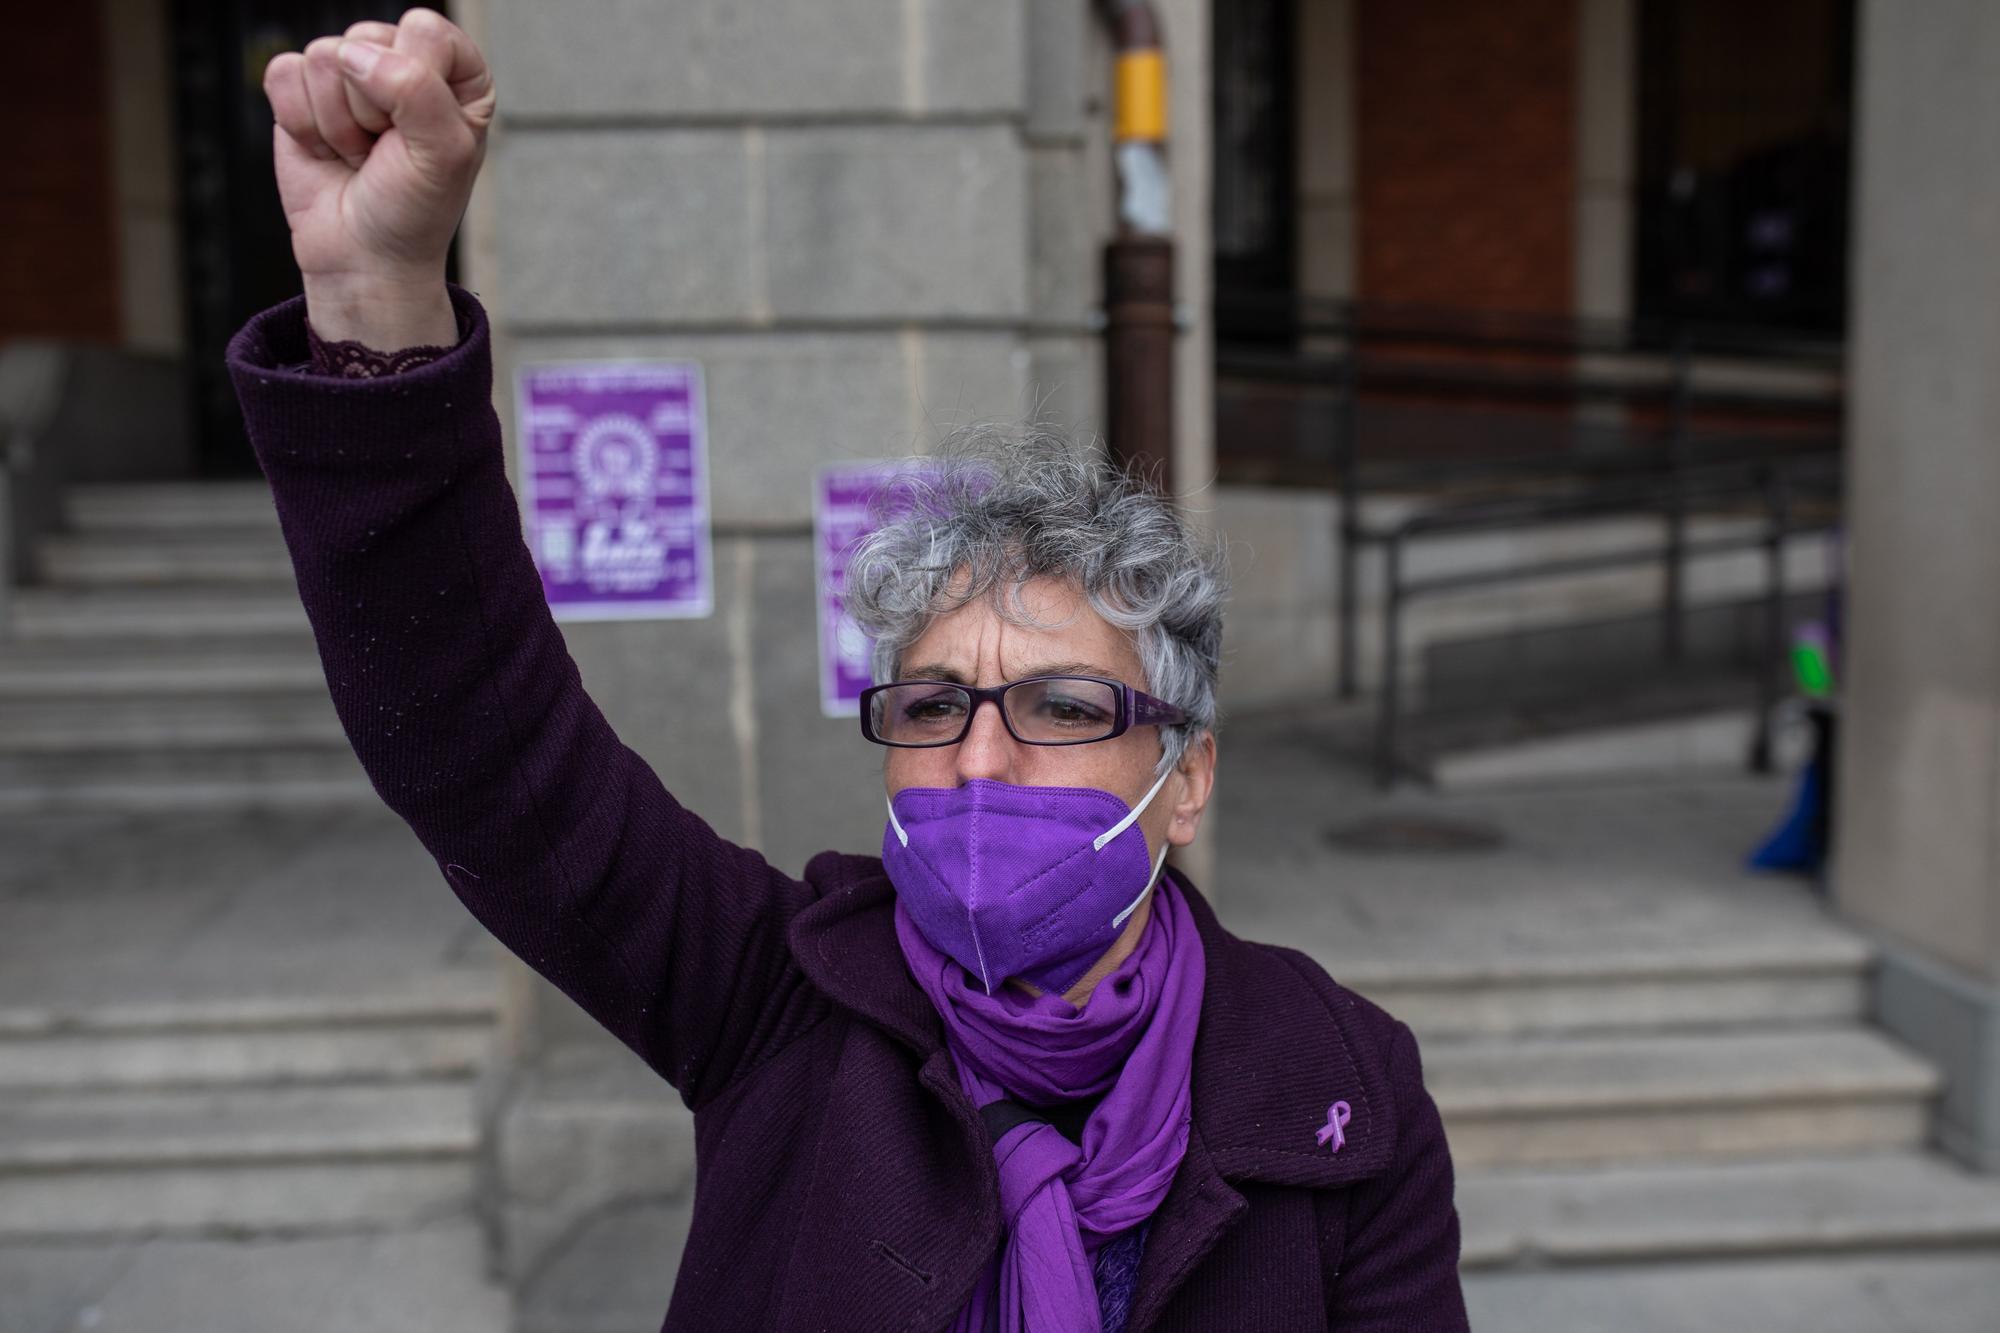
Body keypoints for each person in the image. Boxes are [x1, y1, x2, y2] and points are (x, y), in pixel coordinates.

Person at [231, 11, 1467, 1331]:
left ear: (1186, 773)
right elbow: (483, 742)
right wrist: (378, 300)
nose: (980, 759)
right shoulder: (773, 995)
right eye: (934, 705)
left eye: (1061, 706)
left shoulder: (1348, 1085)